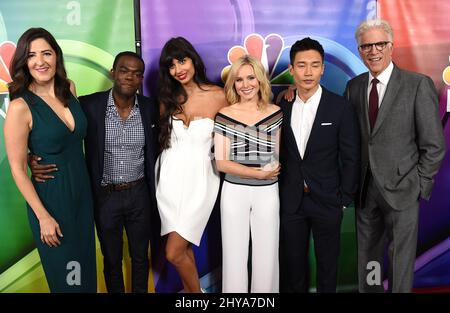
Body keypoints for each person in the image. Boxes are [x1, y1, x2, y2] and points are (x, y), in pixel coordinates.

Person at [30, 51, 160, 293]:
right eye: (123, 70)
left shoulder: (150, 108)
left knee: (141, 258)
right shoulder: (89, 105)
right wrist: (32, 157)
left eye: (136, 73)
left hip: (139, 194)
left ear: (141, 79)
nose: (129, 77)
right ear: (113, 73)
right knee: (111, 261)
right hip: (105, 197)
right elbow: (62, 134)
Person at [344, 19, 445, 293]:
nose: (373, 51)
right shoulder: (354, 87)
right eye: (366, 46)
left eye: (379, 44)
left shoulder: (417, 85)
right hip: (366, 190)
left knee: (401, 259)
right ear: (360, 50)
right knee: (369, 258)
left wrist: (420, 184)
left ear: (390, 46)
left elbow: (434, 145)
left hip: (404, 189)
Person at [4, 27, 96, 292]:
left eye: (47, 53)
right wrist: (43, 216)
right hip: (51, 202)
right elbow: (18, 168)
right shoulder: (21, 107)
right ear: (24, 62)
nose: (41, 61)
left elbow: (70, 140)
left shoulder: (69, 88)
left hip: (82, 196)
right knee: (69, 282)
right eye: (32, 56)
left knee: (85, 274)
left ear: (57, 56)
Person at [278, 37, 360, 293]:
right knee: (293, 267)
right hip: (291, 200)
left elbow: (351, 156)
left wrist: (344, 198)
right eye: (301, 65)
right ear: (291, 69)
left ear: (323, 68)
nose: (308, 72)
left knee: (327, 267)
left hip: (328, 199)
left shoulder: (340, 107)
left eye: (315, 65)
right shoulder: (282, 104)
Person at [156, 37, 227, 293]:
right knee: (182, 249)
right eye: (171, 65)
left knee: (173, 252)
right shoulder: (168, 98)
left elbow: (249, 113)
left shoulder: (219, 95)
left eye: (182, 60)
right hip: (168, 182)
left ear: (193, 59)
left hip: (202, 180)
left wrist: (288, 93)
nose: (179, 69)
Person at [214, 55, 282, 293]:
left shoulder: (276, 113)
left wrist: (266, 175)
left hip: (267, 193)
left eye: (251, 77)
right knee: (233, 256)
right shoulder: (224, 114)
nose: (246, 85)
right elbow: (221, 163)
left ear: (260, 79)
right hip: (234, 192)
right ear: (233, 84)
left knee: (267, 256)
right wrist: (258, 175)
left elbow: (274, 157)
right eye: (239, 80)